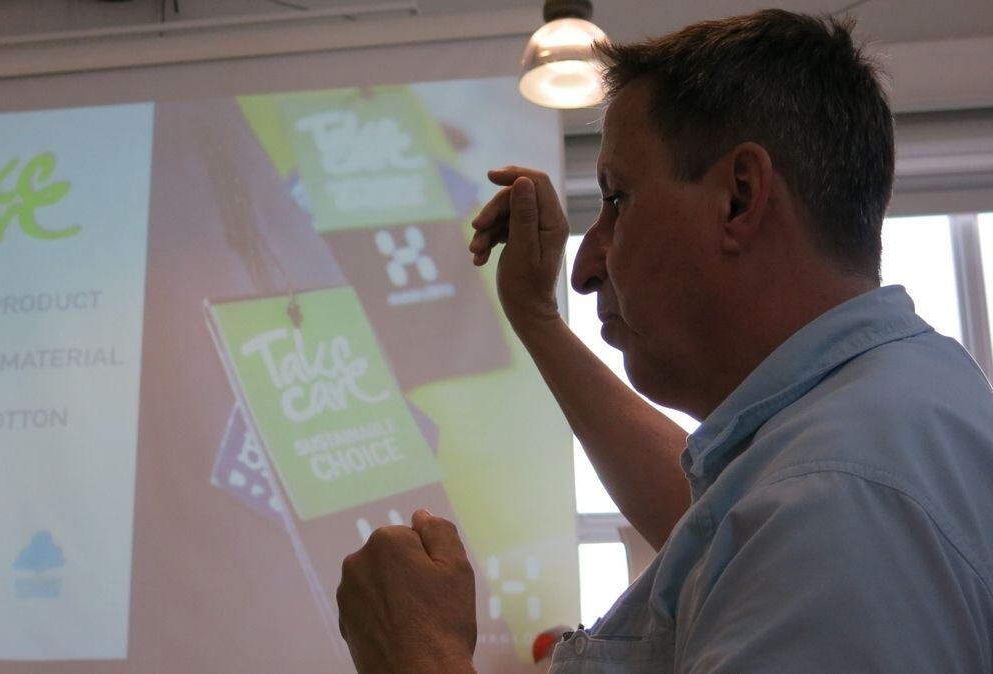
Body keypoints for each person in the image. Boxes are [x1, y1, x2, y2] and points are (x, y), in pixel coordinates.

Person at [335, 9, 993, 674]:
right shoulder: (887, 411)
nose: (586, 268)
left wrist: (416, 652)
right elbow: (715, 522)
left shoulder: (835, 501)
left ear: (739, 197)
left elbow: (783, 514)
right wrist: (536, 316)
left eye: (617, 199)